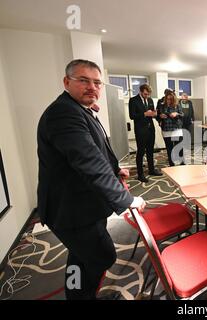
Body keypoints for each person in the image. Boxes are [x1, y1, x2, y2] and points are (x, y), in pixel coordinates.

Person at [37, 59, 146, 300]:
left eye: (97, 82)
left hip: (82, 204)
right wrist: (127, 200)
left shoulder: (79, 109)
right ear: (67, 82)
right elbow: (88, 161)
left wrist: (115, 170)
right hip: (71, 209)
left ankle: (75, 290)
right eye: (83, 80)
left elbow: (97, 149)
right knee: (102, 256)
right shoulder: (63, 113)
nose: (92, 87)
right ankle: (79, 296)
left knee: (81, 255)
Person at [128, 84, 162, 183]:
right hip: (140, 130)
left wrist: (155, 114)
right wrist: (144, 114)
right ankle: (140, 174)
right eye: (145, 94)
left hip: (151, 128)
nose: (147, 96)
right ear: (141, 91)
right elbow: (132, 116)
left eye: (148, 94)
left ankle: (151, 170)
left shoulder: (150, 100)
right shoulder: (133, 100)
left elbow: (152, 113)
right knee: (141, 151)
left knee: (150, 150)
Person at [157, 91, 185, 166]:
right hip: (166, 129)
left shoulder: (177, 105)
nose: (169, 101)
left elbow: (182, 114)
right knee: (169, 148)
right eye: (168, 99)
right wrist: (160, 116)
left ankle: (182, 163)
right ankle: (171, 165)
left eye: (170, 99)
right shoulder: (161, 105)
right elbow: (158, 115)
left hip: (176, 129)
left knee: (179, 147)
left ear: (173, 99)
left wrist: (176, 114)